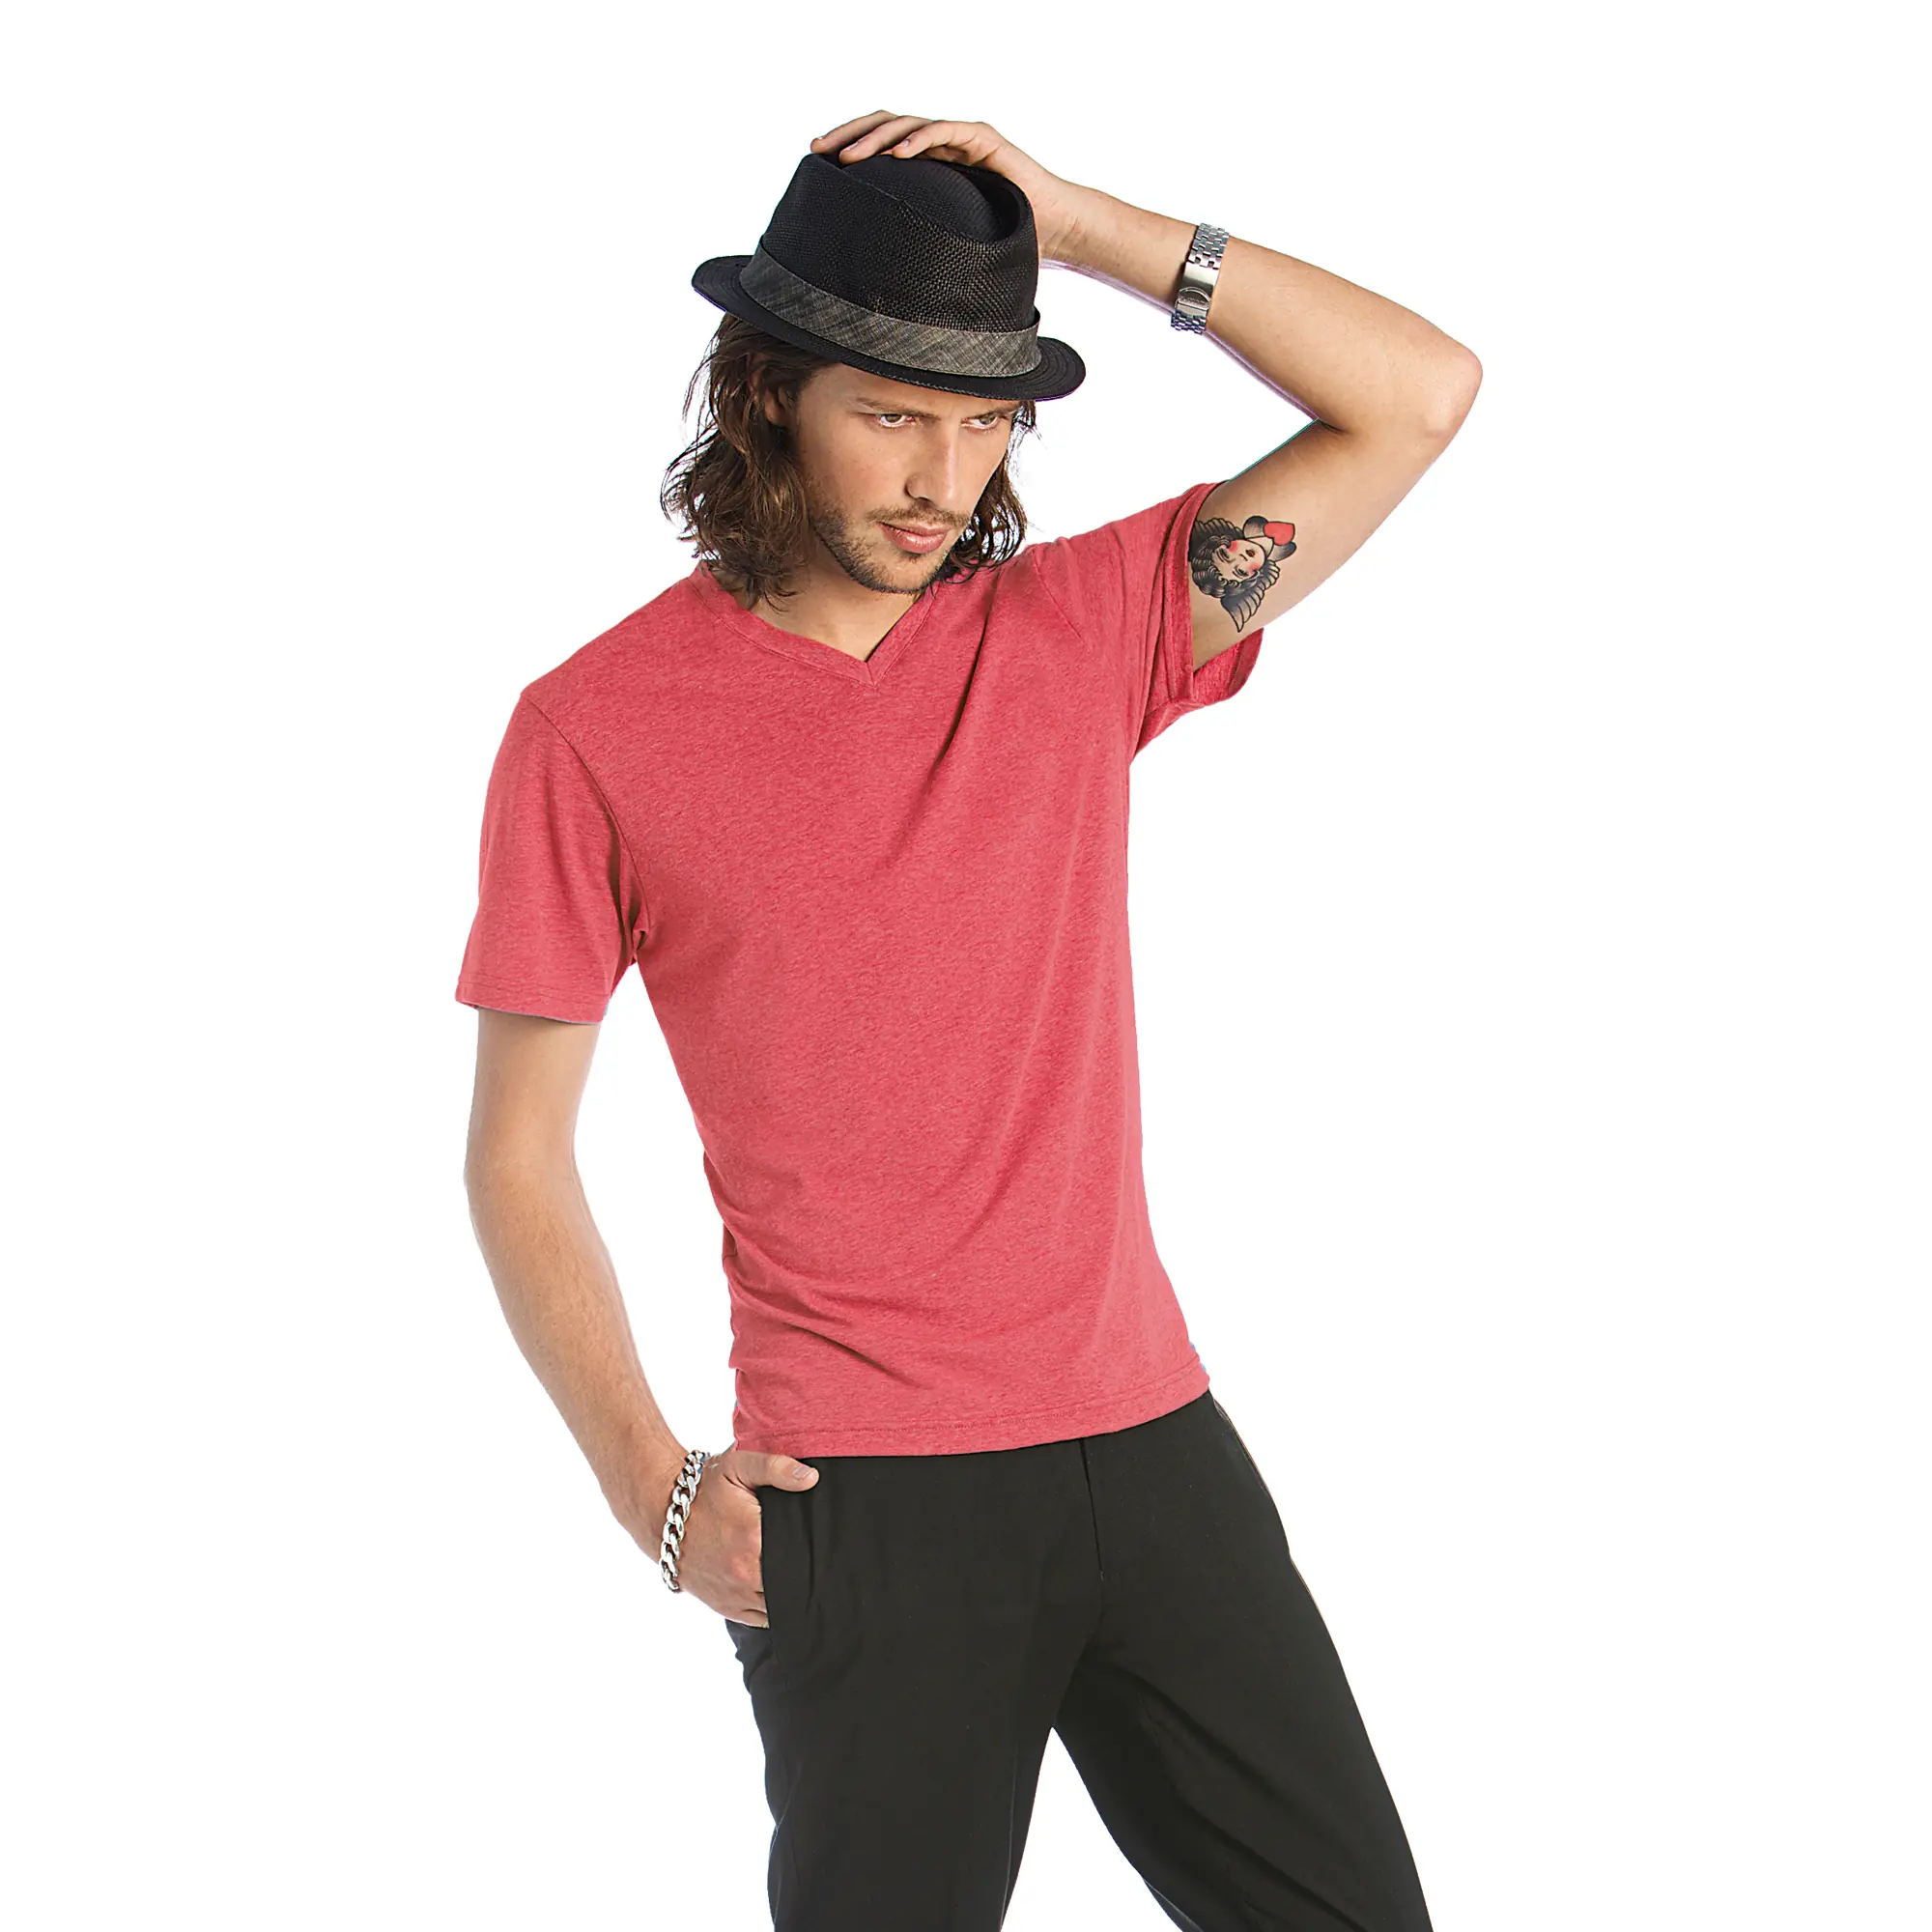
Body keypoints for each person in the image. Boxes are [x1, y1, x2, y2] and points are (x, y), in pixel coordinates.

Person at [458, 109, 1478, 1932]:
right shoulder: (594, 729)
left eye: (988, 418)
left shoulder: (1084, 630)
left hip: (1153, 1449)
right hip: (867, 1497)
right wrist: (651, 1487)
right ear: (767, 393)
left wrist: (1071, 224)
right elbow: (516, 1154)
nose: (945, 476)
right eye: (893, 413)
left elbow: (1416, 392)